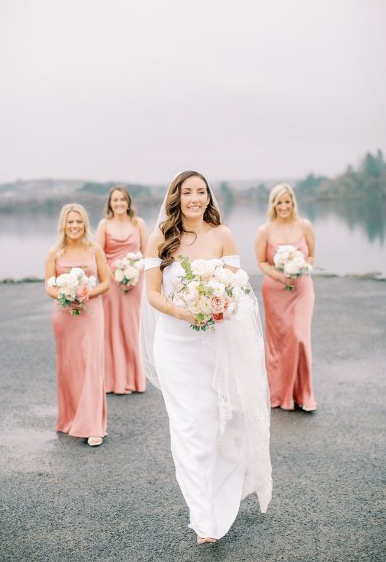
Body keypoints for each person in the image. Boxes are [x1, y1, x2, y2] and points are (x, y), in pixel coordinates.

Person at [143, 171, 272, 544]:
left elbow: (237, 290)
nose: (195, 198)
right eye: (188, 192)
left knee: (218, 424)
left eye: (201, 191)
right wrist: (185, 312)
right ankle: (203, 520)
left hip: (213, 345)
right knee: (188, 429)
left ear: (208, 197)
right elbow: (152, 295)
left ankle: (223, 496)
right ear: (177, 197)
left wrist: (216, 304)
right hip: (173, 344)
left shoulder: (223, 235)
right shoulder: (159, 238)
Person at [45, 203, 110, 447]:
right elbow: (49, 285)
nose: (74, 226)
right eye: (70, 222)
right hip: (64, 314)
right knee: (69, 367)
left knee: (91, 364)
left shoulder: (95, 249)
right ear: (63, 224)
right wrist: (65, 295)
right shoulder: (55, 252)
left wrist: (85, 294)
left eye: (78, 221)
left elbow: (106, 282)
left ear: (85, 224)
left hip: (91, 313)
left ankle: (93, 425)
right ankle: (70, 418)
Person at [254, 183, 317, 412]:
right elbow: (261, 262)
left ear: (293, 203)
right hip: (275, 290)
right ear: (273, 205)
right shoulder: (265, 230)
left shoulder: (305, 226)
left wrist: (298, 268)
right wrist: (281, 276)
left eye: (287, 202)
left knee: (299, 336)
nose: (283, 206)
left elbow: (310, 256)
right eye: (279, 202)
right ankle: (280, 394)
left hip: (301, 289)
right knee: (279, 342)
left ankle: (303, 394)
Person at [96, 186, 147, 394]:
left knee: (131, 327)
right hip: (111, 283)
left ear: (128, 202)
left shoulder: (139, 223)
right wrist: (111, 275)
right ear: (110, 203)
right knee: (112, 329)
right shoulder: (104, 224)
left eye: (122, 200)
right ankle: (113, 381)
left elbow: (146, 252)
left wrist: (135, 272)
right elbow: (98, 255)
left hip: (135, 282)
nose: (119, 203)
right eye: (115, 200)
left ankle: (135, 380)